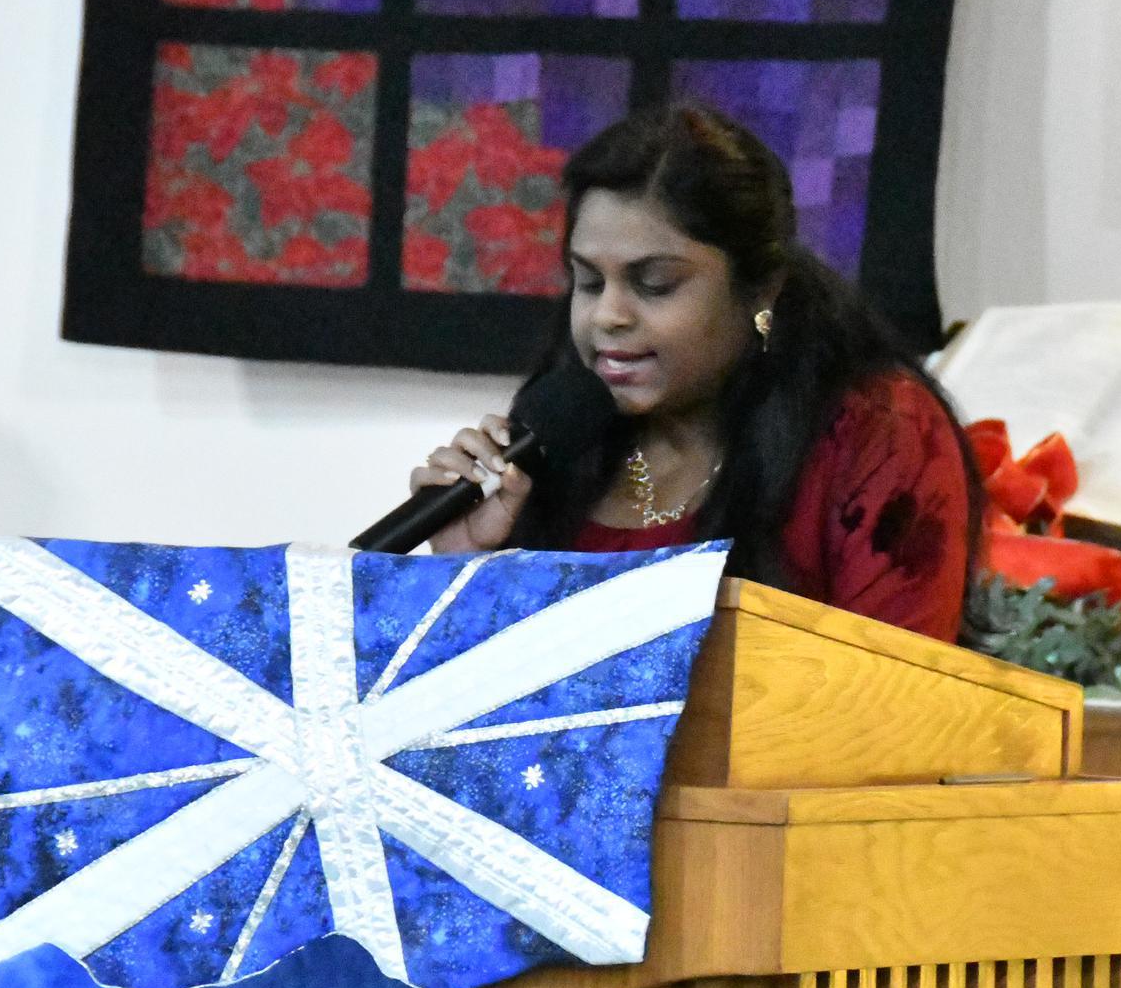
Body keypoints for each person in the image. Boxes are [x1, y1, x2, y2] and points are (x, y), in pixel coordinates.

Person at [409, 103, 983, 641]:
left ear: (761, 290)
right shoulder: (561, 440)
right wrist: (469, 572)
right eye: (589, 282)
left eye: (654, 284)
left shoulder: (876, 434)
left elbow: (897, 697)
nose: (608, 316)